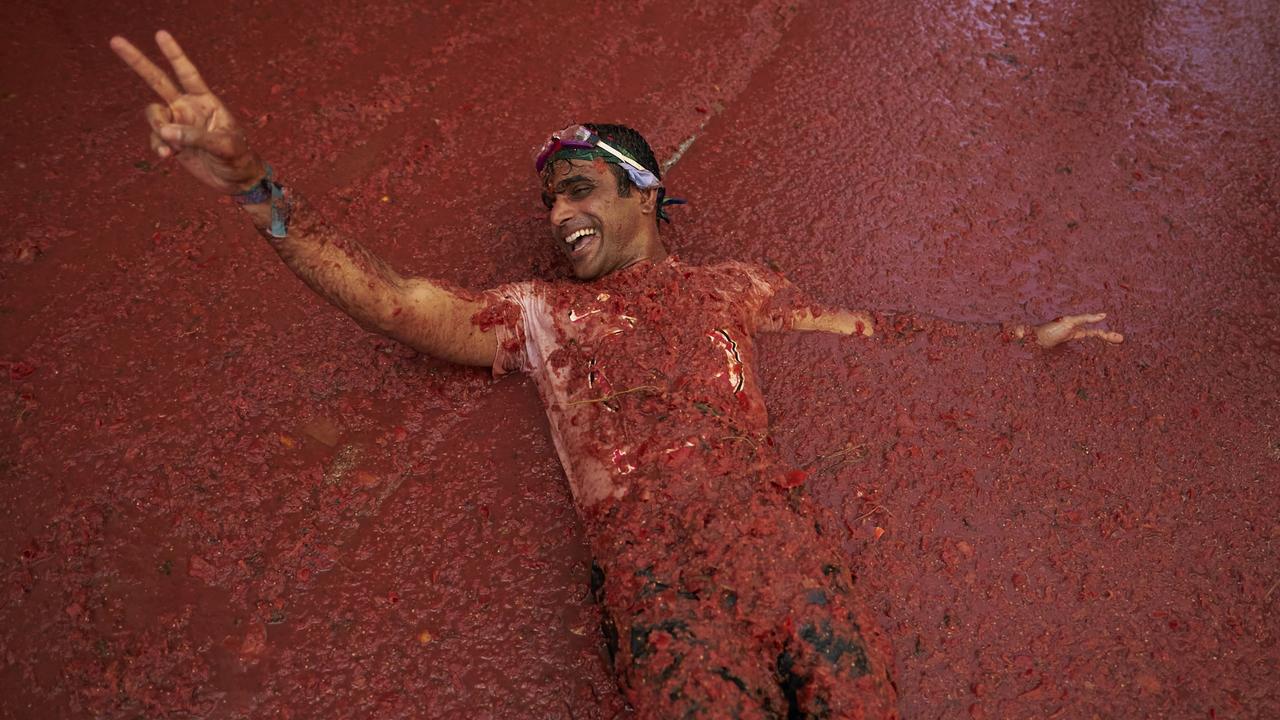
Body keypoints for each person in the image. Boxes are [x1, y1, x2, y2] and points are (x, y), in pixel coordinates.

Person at [110, 31, 1123, 720]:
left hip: (784, 548)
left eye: (578, 190)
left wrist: (1020, 340)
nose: (556, 215)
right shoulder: (540, 316)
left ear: (645, 198)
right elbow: (393, 299)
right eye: (550, 201)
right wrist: (256, 187)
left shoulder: (733, 289)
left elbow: (869, 332)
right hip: (657, 591)